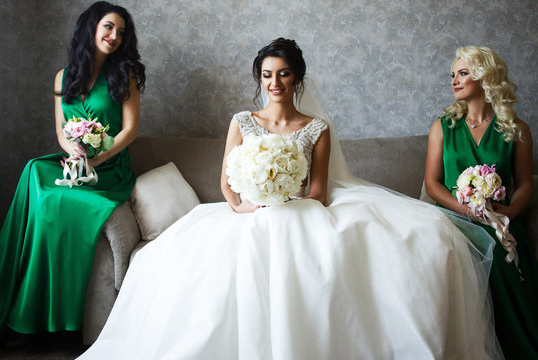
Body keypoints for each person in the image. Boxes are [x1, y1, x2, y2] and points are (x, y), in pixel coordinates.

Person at [80, 38, 501, 359]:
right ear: (259, 79)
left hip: (299, 209)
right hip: (248, 211)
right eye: (266, 74)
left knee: (409, 237)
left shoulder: (315, 128)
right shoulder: (243, 121)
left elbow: (317, 191)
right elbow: (227, 182)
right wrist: (245, 206)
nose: (274, 83)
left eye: (282, 74)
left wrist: (284, 200)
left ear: (296, 78)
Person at [0, 1, 145, 344]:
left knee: (54, 201)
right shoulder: (63, 77)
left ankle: (58, 324)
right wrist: (74, 151)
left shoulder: (124, 76)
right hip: (76, 163)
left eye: (121, 32)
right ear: (91, 27)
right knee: (35, 171)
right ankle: (26, 305)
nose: (114, 36)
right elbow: (62, 130)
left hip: (109, 170)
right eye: (109, 27)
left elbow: (130, 130)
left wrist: (98, 158)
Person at [425, 46, 538, 359]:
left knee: (500, 247)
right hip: (451, 216)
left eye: (463, 73)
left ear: (485, 76)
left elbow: (526, 184)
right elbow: (432, 184)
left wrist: (511, 212)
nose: (454, 81)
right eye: (453, 75)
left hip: (497, 218)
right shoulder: (442, 127)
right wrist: (466, 210)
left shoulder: (516, 129)